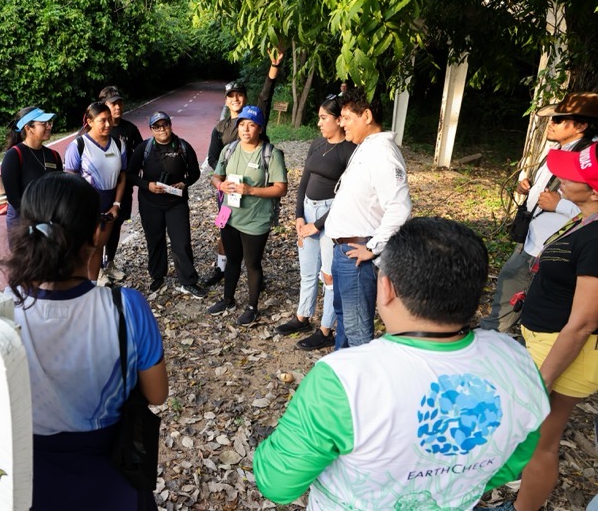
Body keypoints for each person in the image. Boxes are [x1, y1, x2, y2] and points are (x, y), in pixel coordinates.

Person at [253, 217, 550, 511]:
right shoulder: (519, 363)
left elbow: (278, 483)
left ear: (387, 288)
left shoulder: (344, 380)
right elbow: (511, 463)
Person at [0, 172, 168, 510]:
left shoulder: (2, 311)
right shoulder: (127, 308)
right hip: (111, 476)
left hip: (27, 479)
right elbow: (157, 392)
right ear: (96, 233)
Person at [489, 144, 598, 511]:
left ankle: (523, 509)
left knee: (542, 441)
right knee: (536, 437)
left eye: (573, 176)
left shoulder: (597, 238)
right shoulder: (584, 219)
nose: (562, 179)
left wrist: (544, 379)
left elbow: (584, 321)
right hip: (546, 341)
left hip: (563, 352)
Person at [480, 92, 598, 332]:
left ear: (582, 125)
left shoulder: (588, 158)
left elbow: (592, 206)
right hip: (534, 238)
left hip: (553, 245)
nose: (551, 124)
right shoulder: (560, 149)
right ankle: (498, 334)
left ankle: (498, 338)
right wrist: (529, 187)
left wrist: (559, 205)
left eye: (558, 120)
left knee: (529, 295)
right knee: (513, 283)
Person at [325, 87, 412, 348]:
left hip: (357, 254)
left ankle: (361, 384)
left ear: (367, 116)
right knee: (345, 320)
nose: (341, 123)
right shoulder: (366, 147)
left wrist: (372, 248)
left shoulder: (383, 153)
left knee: (358, 331)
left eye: (347, 117)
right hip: (344, 250)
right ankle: (343, 374)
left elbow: (400, 208)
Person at [275, 96, 357, 350]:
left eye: (324, 118)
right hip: (308, 210)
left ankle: (325, 329)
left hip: (331, 216)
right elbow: (304, 180)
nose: (319, 123)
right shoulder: (318, 142)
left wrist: (317, 225)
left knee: (329, 275)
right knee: (308, 270)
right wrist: (299, 215)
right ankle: (303, 316)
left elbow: (346, 198)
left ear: (338, 120)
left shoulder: (350, 151)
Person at [202, 50, 284, 287]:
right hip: (227, 189)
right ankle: (222, 267)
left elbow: (266, 96)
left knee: (252, 233)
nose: (235, 99)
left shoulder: (256, 117)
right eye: (231, 96)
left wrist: (273, 68)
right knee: (224, 227)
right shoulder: (220, 127)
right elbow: (212, 158)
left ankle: (254, 272)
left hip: (255, 188)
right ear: (226, 100)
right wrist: (223, 181)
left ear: (245, 99)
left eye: (239, 95)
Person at [207, 106, 288, 325]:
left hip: (256, 219)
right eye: (242, 124)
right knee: (232, 260)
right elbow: (216, 176)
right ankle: (228, 299)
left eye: (251, 125)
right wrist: (221, 185)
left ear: (260, 129)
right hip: (230, 215)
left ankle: (252, 307)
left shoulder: (270, 153)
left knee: (252, 264)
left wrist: (251, 191)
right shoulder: (229, 149)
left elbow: (281, 188)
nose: (245, 129)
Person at [127, 112, 205, 297]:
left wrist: (184, 183)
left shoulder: (183, 146)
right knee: (154, 240)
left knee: (181, 242)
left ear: (170, 125)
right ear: (152, 129)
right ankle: (157, 275)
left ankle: (188, 281)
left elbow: (195, 173)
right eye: (157, 126)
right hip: (150, 203)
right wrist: (148, 186)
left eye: (165, 125)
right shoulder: (143, 148)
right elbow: (130, 175)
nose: (162, 129)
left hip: (176, 203)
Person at [64, 102, 127, 282]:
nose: (108, 124)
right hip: (84, 205)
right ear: (90, 122)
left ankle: (92, 285)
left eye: (109, 120)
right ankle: (79, 286)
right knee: (84, 248)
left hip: (109, 204)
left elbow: (122, 176)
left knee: (98, 247)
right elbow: (70, 181)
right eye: (102, 120)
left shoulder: (118, 144)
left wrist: (116, 205)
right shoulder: (78, 146)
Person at [99, 86, 144, 283]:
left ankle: (110, 263)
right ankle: (97, 268)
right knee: (99, 227)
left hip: (123, 187)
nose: (118, 107)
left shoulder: (130, 130)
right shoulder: (94, 130)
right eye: (113, 104)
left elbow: (141, 155)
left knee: (116, 226)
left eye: (120, 103)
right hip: (100, 190)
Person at [0, 106, 62, 241]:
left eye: (49, 123)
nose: (49, 127)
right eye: (43, 124)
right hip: (22, 219)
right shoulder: (14, 155)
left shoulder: (54, 156)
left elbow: (59, 189)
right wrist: (36, 221)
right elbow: (14, 198)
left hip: (49, 217)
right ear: (28, 128)